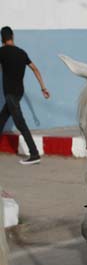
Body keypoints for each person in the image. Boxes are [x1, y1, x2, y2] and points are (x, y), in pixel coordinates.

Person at [0, 26, 50, 164]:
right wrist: (43, 87)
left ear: (2, 38)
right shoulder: (22, 53)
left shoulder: (2, 52)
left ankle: (34, 154)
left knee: (20, 123)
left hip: (10, 93)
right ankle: (34, 153)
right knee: (2, 118)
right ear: (12, 37)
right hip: (19, 92)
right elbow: (35, 69)